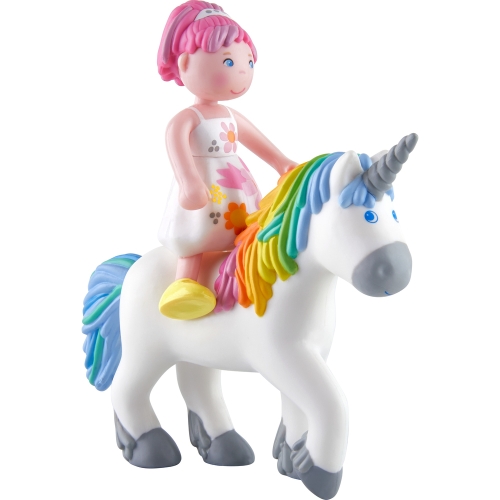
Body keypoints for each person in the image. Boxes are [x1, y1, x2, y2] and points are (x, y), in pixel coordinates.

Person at [157, 1, 296, 320]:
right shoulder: (187, 118)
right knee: (195, 236)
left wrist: (281, 162)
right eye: (229, 61)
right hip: (206, 185)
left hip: (235, 184)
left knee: (246, 227)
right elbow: (177, 149)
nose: (242, 71)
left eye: (248, 62)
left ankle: (241, 271)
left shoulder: (231, 115)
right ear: (185, 62)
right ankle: (184, 284)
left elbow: (258, 141)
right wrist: (189, 183)